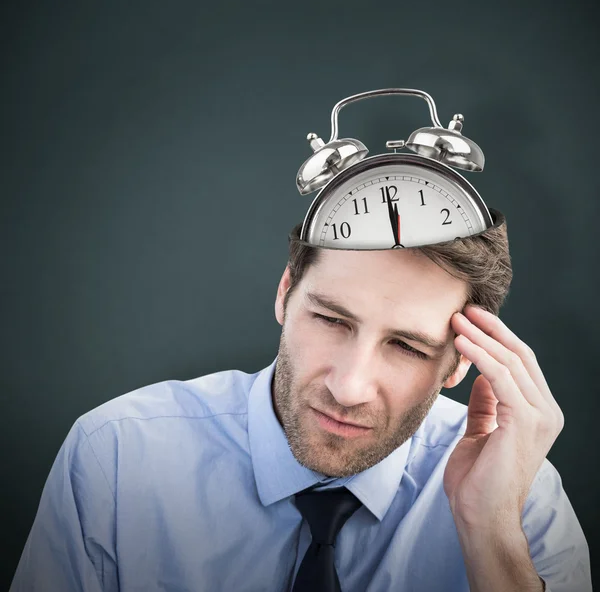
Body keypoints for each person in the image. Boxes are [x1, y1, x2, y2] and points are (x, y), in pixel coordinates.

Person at [10, 216, 592, 592]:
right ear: (286, 294)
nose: (348, 387)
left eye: (408, 346)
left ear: (462, 362)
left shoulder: (520, 499)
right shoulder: (115, 458)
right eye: (331, 320)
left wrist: (489, 534)